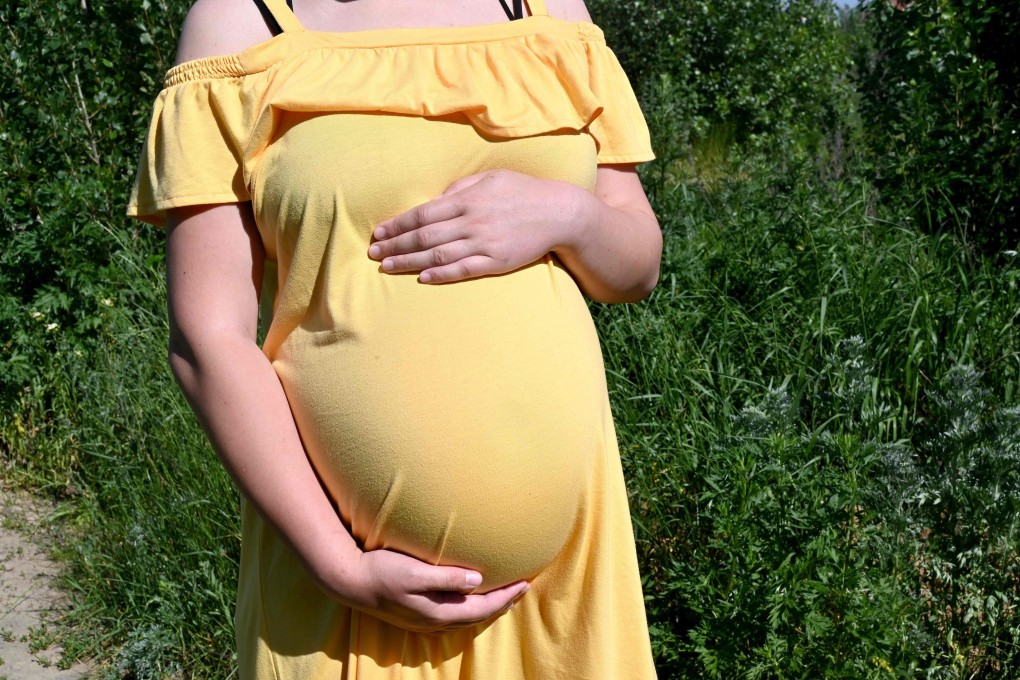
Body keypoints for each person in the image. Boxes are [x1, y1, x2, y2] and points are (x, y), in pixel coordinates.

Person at [128, 0, 662, 676]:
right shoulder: (242, 24)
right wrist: (339, 566)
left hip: (558, 597)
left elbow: (636, 267)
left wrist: (569, 215)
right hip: (348, 596)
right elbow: (207, 339)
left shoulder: (547, 11)